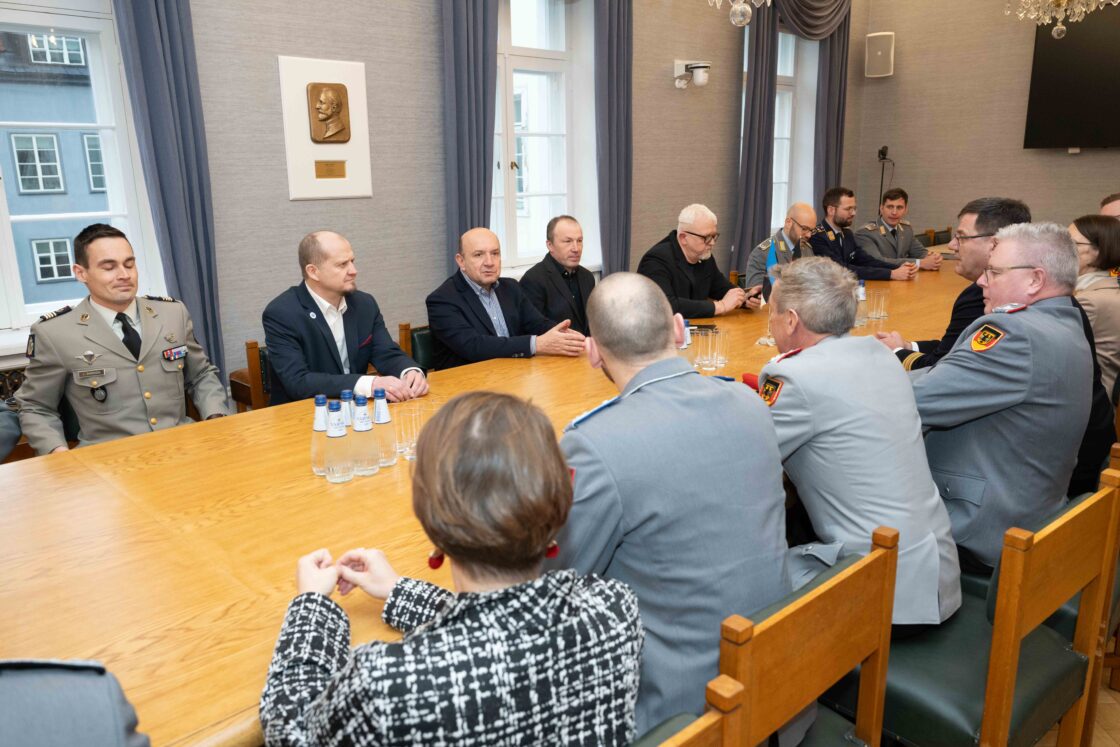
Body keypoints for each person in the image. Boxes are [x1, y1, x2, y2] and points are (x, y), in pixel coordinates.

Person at [260, 392, 643, 746]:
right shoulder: (614, 610)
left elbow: (292, 733)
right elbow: (507, 621)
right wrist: (399, 591)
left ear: (434, 524)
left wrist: (312, 608)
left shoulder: (388, 685)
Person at [547, 272, 790, 735]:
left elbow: (551, 583)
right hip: (777, 676)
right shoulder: (749, 402)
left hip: (681, 715)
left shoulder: (594, 443)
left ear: (593, 352)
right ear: (679, 328)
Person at [759, 258, 960, 629]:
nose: (769, 321)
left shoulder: (793, 376)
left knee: (739, 589)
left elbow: (748, 461)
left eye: (770, 311)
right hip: (935, 572)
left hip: (884, 592)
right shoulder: (880, 355)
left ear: (790, 320)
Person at [910, 223, 1092, 574]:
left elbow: (915, 403)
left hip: (977, 531)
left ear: (1035, 280)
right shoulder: (1064, 323)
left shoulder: (1014, 333)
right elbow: (945, 377)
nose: (981, 281)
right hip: (1032, 510)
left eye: (993, 272)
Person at [16, 223, 229, 455]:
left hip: (183, 448)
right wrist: (59, 453)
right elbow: (35, 406)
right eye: (109, 267)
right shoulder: (55, 333)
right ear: (81, 273)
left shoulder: (172, 313)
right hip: (109, 459)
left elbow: (201, 375)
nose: (124, 275)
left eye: (129, 264)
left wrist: (215, 416)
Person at [263, 230, 427, 405]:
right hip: (303, 412)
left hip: (358, 410)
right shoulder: (282, 313)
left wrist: (409, 371)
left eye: (352, 261)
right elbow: (298, 382)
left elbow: (386, 352)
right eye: (342, 264)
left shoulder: (364, 304)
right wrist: (369, 384)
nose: (354, 271)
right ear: (313, 272)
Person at [876, 197, 1032, 371]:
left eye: (961, 237)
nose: (952, 245)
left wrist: (895, 351)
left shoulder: (981, 295)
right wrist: (908, 346)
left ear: (994, 243)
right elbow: (955, 346)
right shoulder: (1025, 287)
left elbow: (941, 368)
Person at [426, 227, 584, 370]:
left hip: (513, 375)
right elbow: (474, 346)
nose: (489, 262)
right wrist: (536, 344)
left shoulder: (511, 287)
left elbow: (537, 323)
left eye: (495, 253)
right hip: (467, 385)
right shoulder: (442, 300)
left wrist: (569, 337)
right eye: (479, 255)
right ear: (461, 261)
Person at [637, 203, 761, 318]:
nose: (712, 243)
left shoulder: (704, 256)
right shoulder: (655, 260)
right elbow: (666, 306)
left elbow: (721, 288)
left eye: (714, 236)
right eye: (706, 237)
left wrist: (745, 297)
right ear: (683, 238)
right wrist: (720, 306)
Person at [809, 187, 916, 282]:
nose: (853, 213)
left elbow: (865, 260)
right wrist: (891, 274)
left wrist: (896, 267)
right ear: (831, 210)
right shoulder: (817, 237)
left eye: (854, 208)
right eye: (848, 209)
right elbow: (840, 269)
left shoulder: (847, 233)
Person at [520, 215, 596, 336]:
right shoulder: (533, 280)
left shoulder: (587, 277)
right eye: (568, 241)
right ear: (550, 245)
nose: (576, 248)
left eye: (579, 241)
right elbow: (534, 330)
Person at [1073, 214, 1120, 396]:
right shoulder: (1106, 290)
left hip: (1089, 400)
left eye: (1072, 243)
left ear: (1098, 251)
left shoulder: (1090, 301)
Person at [854, 188, 942, 270]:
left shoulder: (906, 229)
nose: (894, 212)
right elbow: (877, 261)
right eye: (890, 207)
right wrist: (919, 263)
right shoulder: (865, 233)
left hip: (904, 278)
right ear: (881, 208)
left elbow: (920, 252)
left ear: (905, 210)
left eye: (899, 207)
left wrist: (934, 257)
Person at [742, 202, 817, 294]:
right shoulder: (763, 254)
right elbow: (757, 296)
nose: (809, 235)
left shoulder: (807, 249)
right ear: (788, 222)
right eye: (804, 228)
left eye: (812, 230)